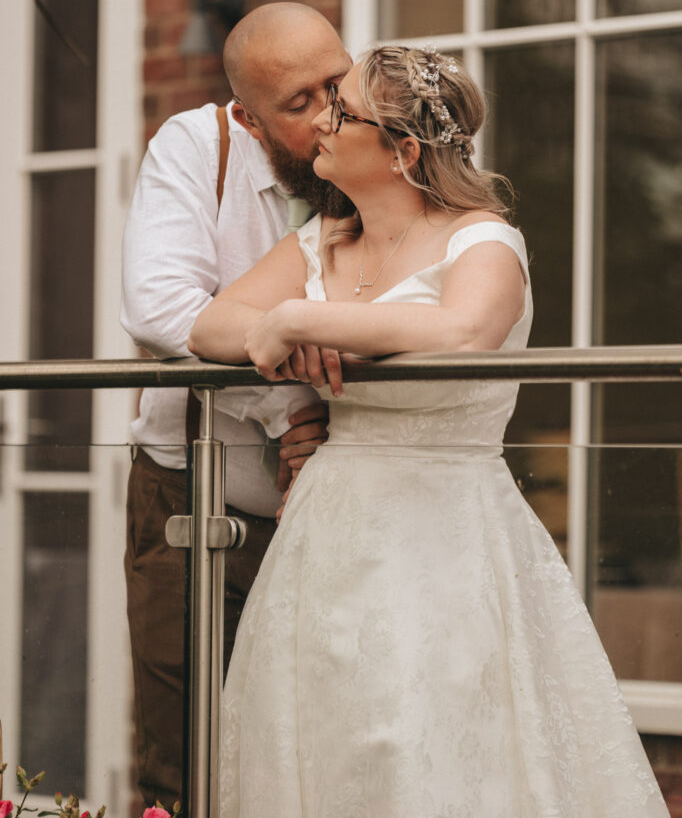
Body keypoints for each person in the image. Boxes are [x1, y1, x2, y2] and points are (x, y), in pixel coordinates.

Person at [189, 46, 668, 818]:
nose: (321, 121)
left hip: (451, 541)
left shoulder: (482, 240)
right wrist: (285, 323)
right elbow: (209, 324)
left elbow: (467, 330)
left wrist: (302, 319)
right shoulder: (321, 241)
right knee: (325, 738)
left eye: (341, 110)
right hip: (328, 538)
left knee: (436, 742)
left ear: (402, 151)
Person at [120, 2, 353, 808]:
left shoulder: (376, 152)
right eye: (299, 104)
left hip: (335, 517)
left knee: (309, 762)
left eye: (338, 81)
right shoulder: (195, 147)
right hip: (191, 504)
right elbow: (159, 309)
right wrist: (287, 405)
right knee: (185, 761)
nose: (329, 114)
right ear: (248, 119)